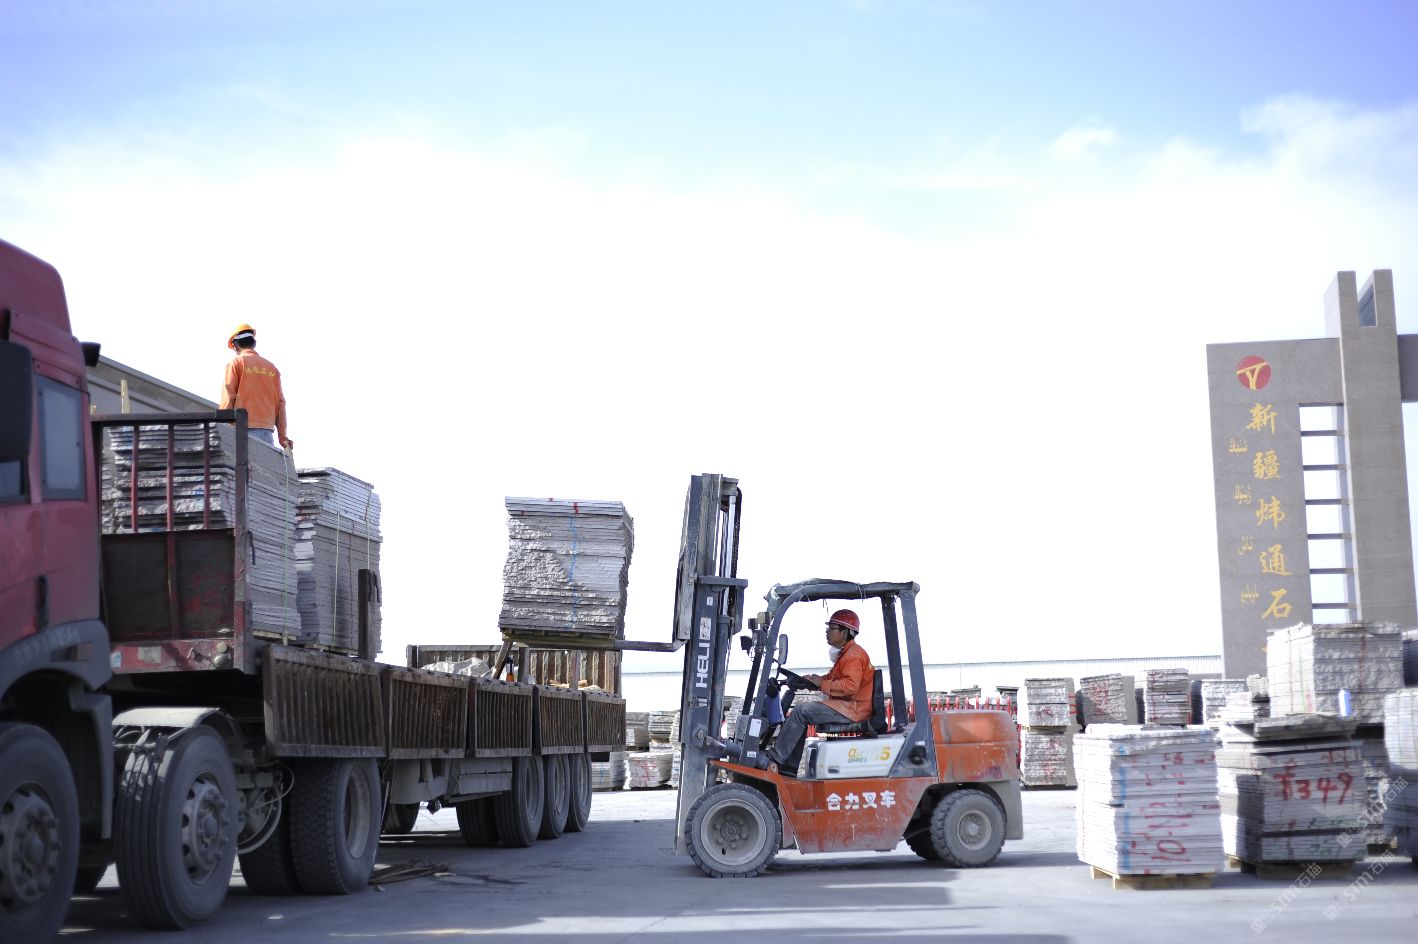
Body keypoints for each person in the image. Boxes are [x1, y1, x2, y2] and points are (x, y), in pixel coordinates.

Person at [766, 608, 874, 776]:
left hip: (853, 709)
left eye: (832, 628)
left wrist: (822, 683)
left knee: (801, 711)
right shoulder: (846, 654)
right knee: (802, 713)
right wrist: (811, 682)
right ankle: (788, 768)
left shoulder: (853, 655)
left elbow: (850, 686)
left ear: (845, 632)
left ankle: (776, 759)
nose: (827, 632)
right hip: (846, 706)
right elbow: (831, 679)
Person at [219, 323, 292, 450]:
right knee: (262, 463)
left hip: (242, 429)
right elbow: (281, 403)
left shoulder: (236, 363)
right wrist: (282, 436)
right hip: (267, 432)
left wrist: (222, 427)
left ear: (236, 345)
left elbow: (228, 396)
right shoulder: (271, 368)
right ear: (254, 343)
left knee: (240, 463)